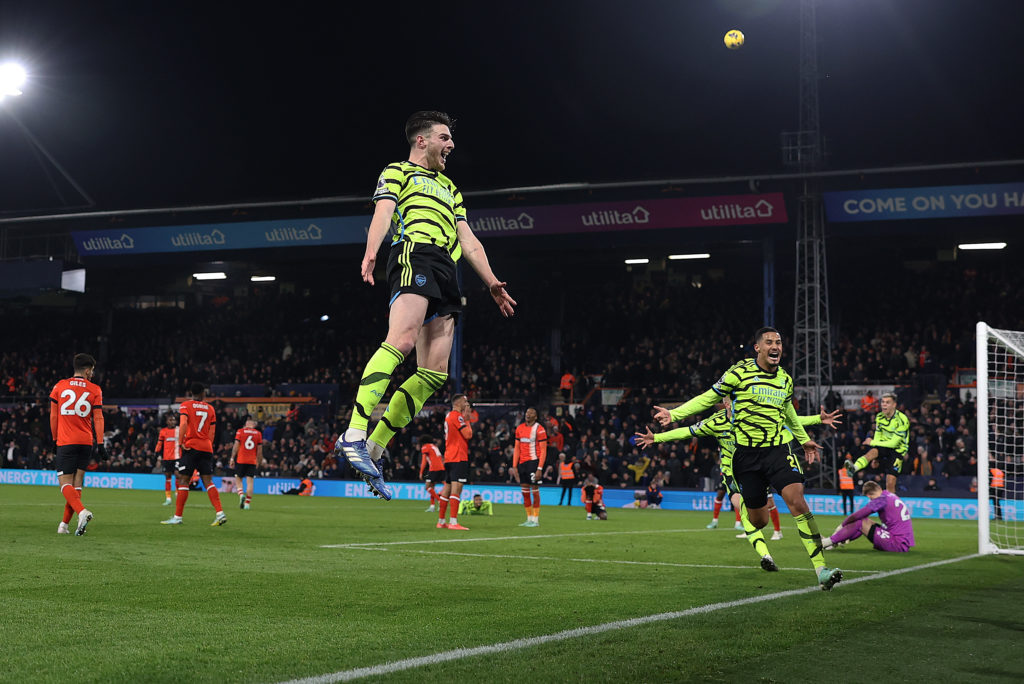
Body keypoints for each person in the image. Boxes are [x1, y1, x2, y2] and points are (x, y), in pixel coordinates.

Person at [333, 111, 516, 501]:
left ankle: (376, 448)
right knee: (399, 341)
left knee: (434, 374)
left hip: (448, 272)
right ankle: (353, 433)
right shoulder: (397, 171)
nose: (451, 145)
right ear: (422, 140)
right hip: (415, 254)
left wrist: (492, 283)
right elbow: (383, 212)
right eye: (444, 138)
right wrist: (371, 253)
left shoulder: (451, 187)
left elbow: (470, 242)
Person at [650, 327, 843, 590]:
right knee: (758, 520)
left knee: (797, 501)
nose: (776, 346)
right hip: (747, 457)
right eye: (769, 342)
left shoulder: (785, 379)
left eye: (779, 342)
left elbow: (787, 412)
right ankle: (760, 530)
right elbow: (708, 397)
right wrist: (674, 414)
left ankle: (821, 570)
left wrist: (803, 438)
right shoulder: (738, 373)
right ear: (758, 348)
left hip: (777, 450)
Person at [637, 399, 841, 572]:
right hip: (732, 475)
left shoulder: (753, 418)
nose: (734, 403)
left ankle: (802, 542)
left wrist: (818, 419)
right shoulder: (715, 422)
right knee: (744, 512)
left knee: (777, 505)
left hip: (758, 469)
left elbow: (789, 421)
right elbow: (687, 431)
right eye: (730, 400)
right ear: (725, 403)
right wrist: (656, 438)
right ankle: (766, 556)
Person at [50, 353, 104, 536]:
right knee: (77, 483)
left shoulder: (60, 386)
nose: (93, 374)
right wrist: (101, 443)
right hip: (86, 442)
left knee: (64, 484)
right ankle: (64, 525)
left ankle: (82, 512)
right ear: (87, 370)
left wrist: (54, 439)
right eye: (93, 371)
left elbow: (54, 416)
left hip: (66, 441)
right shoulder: (95, 389)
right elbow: (98, 417)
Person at [162, 382, 226, 526]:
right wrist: (207, 444)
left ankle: (177, 517)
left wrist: (180, 442)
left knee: (184, 480)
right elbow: (212, 431)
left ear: (191, 393)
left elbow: (183, 424)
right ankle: (220, 513)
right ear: (203, 394)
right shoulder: (210, 409)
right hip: (206, 447)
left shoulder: (185, 405)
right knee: (208, 481)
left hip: (191, 446)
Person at [845, 392, 909, 494]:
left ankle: (892, 506)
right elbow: (878, 435)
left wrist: (872, 442)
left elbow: (894, 443)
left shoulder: (902, 419)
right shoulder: (879, 417)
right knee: (871, 453)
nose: (884, 404)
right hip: (884, 445)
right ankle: (853, 468)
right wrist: (876, 456)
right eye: (883, 402)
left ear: (894, 405)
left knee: (890, 482)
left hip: (898, 450)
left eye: (887, 402)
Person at [823, 481, 915, 552]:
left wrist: (842, 525)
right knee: (866, 522)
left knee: (861, 522)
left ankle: (827, 542)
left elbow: (857, 515)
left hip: (897, 544)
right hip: (901, 541)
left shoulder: (881, 499)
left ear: (869, 495)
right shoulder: (889, 495)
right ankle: (836, 541)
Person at [438, 394, 473, 530]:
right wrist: (468, 420)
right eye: (465, 401)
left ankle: (441, 521)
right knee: (456, 488)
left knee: (446, 488)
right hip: (458, 456)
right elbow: (468, 435)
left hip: (449, 456)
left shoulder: (448, 416)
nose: (467, 403)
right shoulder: (457, 416)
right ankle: (453, 522)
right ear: (459, 403)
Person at [512, 407, 547, 527]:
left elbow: (543, 450)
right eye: (527, 412)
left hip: (533, 462)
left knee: (535, 491)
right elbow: (516, 448)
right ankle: (529, 518)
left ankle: (536, 520)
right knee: (525, 492)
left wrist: (540, 468)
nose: (528, 414)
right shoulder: (519, 428)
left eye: (531, 413)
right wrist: (514, 466)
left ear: (535, 417)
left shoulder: (540, 429)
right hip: (522, 463)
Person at [230, 418, 262, 510]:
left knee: (238, 478)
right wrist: (258, 461)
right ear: (254, 425)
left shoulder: (240, 431)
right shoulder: (258, 434)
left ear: (246, 424)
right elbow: (259, 450)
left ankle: (241, 495)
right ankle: (247, 504)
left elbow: (236, 445)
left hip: (241, 459)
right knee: (250, 482)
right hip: (252, 460)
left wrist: (232, 457)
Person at [155, 414, 179, 506]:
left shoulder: (179, 430)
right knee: (168, 477)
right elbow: (159, 444)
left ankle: (177, 494)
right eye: (170, 420)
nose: (172, 422)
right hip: (167, 458)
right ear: (167, 422)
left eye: (174, 420)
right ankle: (168, 498)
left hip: (177, 457)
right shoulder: (163, 431)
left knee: (178, 475)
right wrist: (157, 455)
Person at [419, 434, 445, 513]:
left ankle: (440, 501)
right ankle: (432, 506)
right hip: (441, 468)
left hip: (434, 468)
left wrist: (421, 472)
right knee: (432, 487)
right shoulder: (434, 446)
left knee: (427, 487)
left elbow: (424, 461)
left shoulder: (425, 447)